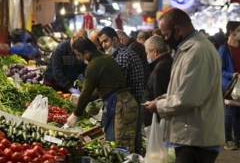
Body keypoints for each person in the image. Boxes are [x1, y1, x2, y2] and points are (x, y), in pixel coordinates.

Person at [145, 8, 225, 163]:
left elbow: (189, 98)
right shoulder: (188, 49)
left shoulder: (197, 52)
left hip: (196, 137)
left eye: (166, 34)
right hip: (190, 135)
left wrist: (159, 105)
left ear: (178, 30)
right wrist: (166, 97)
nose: (164, 39)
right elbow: (187, 88)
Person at [64, 37, 139, 152]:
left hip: (118, 106)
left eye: (79, 55)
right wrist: (82, 99)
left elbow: (86, 92)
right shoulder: (106, 58)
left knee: (118, 146)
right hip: (127, 102)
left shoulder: (93, 65)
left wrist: (75, 115)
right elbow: (101, 88)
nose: (78, 59)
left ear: (87, 52)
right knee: (124, 143)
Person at [98, 26, 146, 154]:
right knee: (132, 141)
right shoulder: (124, 54)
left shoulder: (122, 56)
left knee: (123, 145)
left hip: (126, 107)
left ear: (115, 39)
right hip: (130, 106)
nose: (104, 45)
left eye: (106, 41)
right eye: (101, 42)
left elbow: (114, 86)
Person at [218, 21, 240, 150]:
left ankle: (238, 139)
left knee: (239, 112)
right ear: (231, 32)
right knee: (230, 113)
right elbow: (219, 70)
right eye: (238, 30)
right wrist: (231, 75)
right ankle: (228, 140)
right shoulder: (224, 49)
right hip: (230, 86)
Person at [140, 35, 172, 127]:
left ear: (154, 52)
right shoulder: (166, 62)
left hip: (157, 123)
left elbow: (159, 96)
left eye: (147, 53)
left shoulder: (161, 68)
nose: (146, 56)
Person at [43, 29, 87, 94]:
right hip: (52, 85)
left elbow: (81, 68)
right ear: (73, 38)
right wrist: (70, 88)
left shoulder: (78, 49)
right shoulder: (61, 49)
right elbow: (57, 72)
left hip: (66, 86)